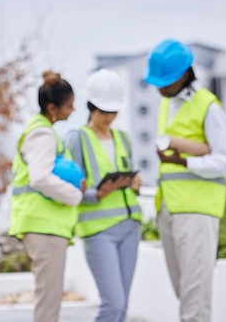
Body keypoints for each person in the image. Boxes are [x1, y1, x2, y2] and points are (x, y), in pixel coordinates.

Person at [144, 39, 226, 322]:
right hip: (169, 209)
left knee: (195, 302)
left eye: (165, 82)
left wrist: (184, 161)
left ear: (184, 75)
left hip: (197, 211)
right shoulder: (166, 105)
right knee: (184, 295)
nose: (159, 88)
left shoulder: (209, 107)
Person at [65, 68, 142, 322]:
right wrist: (98, 193)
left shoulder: (123, 138)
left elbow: (131, 179)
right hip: (98, 231)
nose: (109, 117)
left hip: (130, 226)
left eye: (113, 112)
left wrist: (135, 184)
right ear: (91, 107)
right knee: (113, 304)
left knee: (122, 308)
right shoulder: (77, 139)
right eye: (103, 111)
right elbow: (71, 188)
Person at [8, 70, 84, 322]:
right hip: (44, 225)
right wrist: (75, 195)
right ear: (52, 107)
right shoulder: (42, 134)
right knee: (48, 304)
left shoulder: (41, 130)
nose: (72, 111)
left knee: (49, 299)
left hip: (45, 225)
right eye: (69, 106)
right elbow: (40, 178)